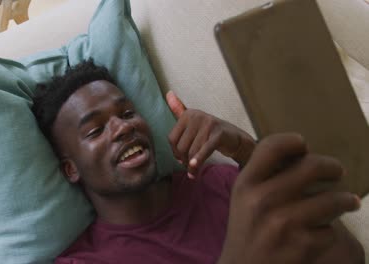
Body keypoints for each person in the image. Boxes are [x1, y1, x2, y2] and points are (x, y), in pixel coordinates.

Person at [32, 60, 364, 264]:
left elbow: (348, 257)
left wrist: (248, 151)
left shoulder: (222, 184)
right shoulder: (84, 261)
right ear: (70, 168)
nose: (123, 127)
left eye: (128, 113)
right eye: (95, 130)